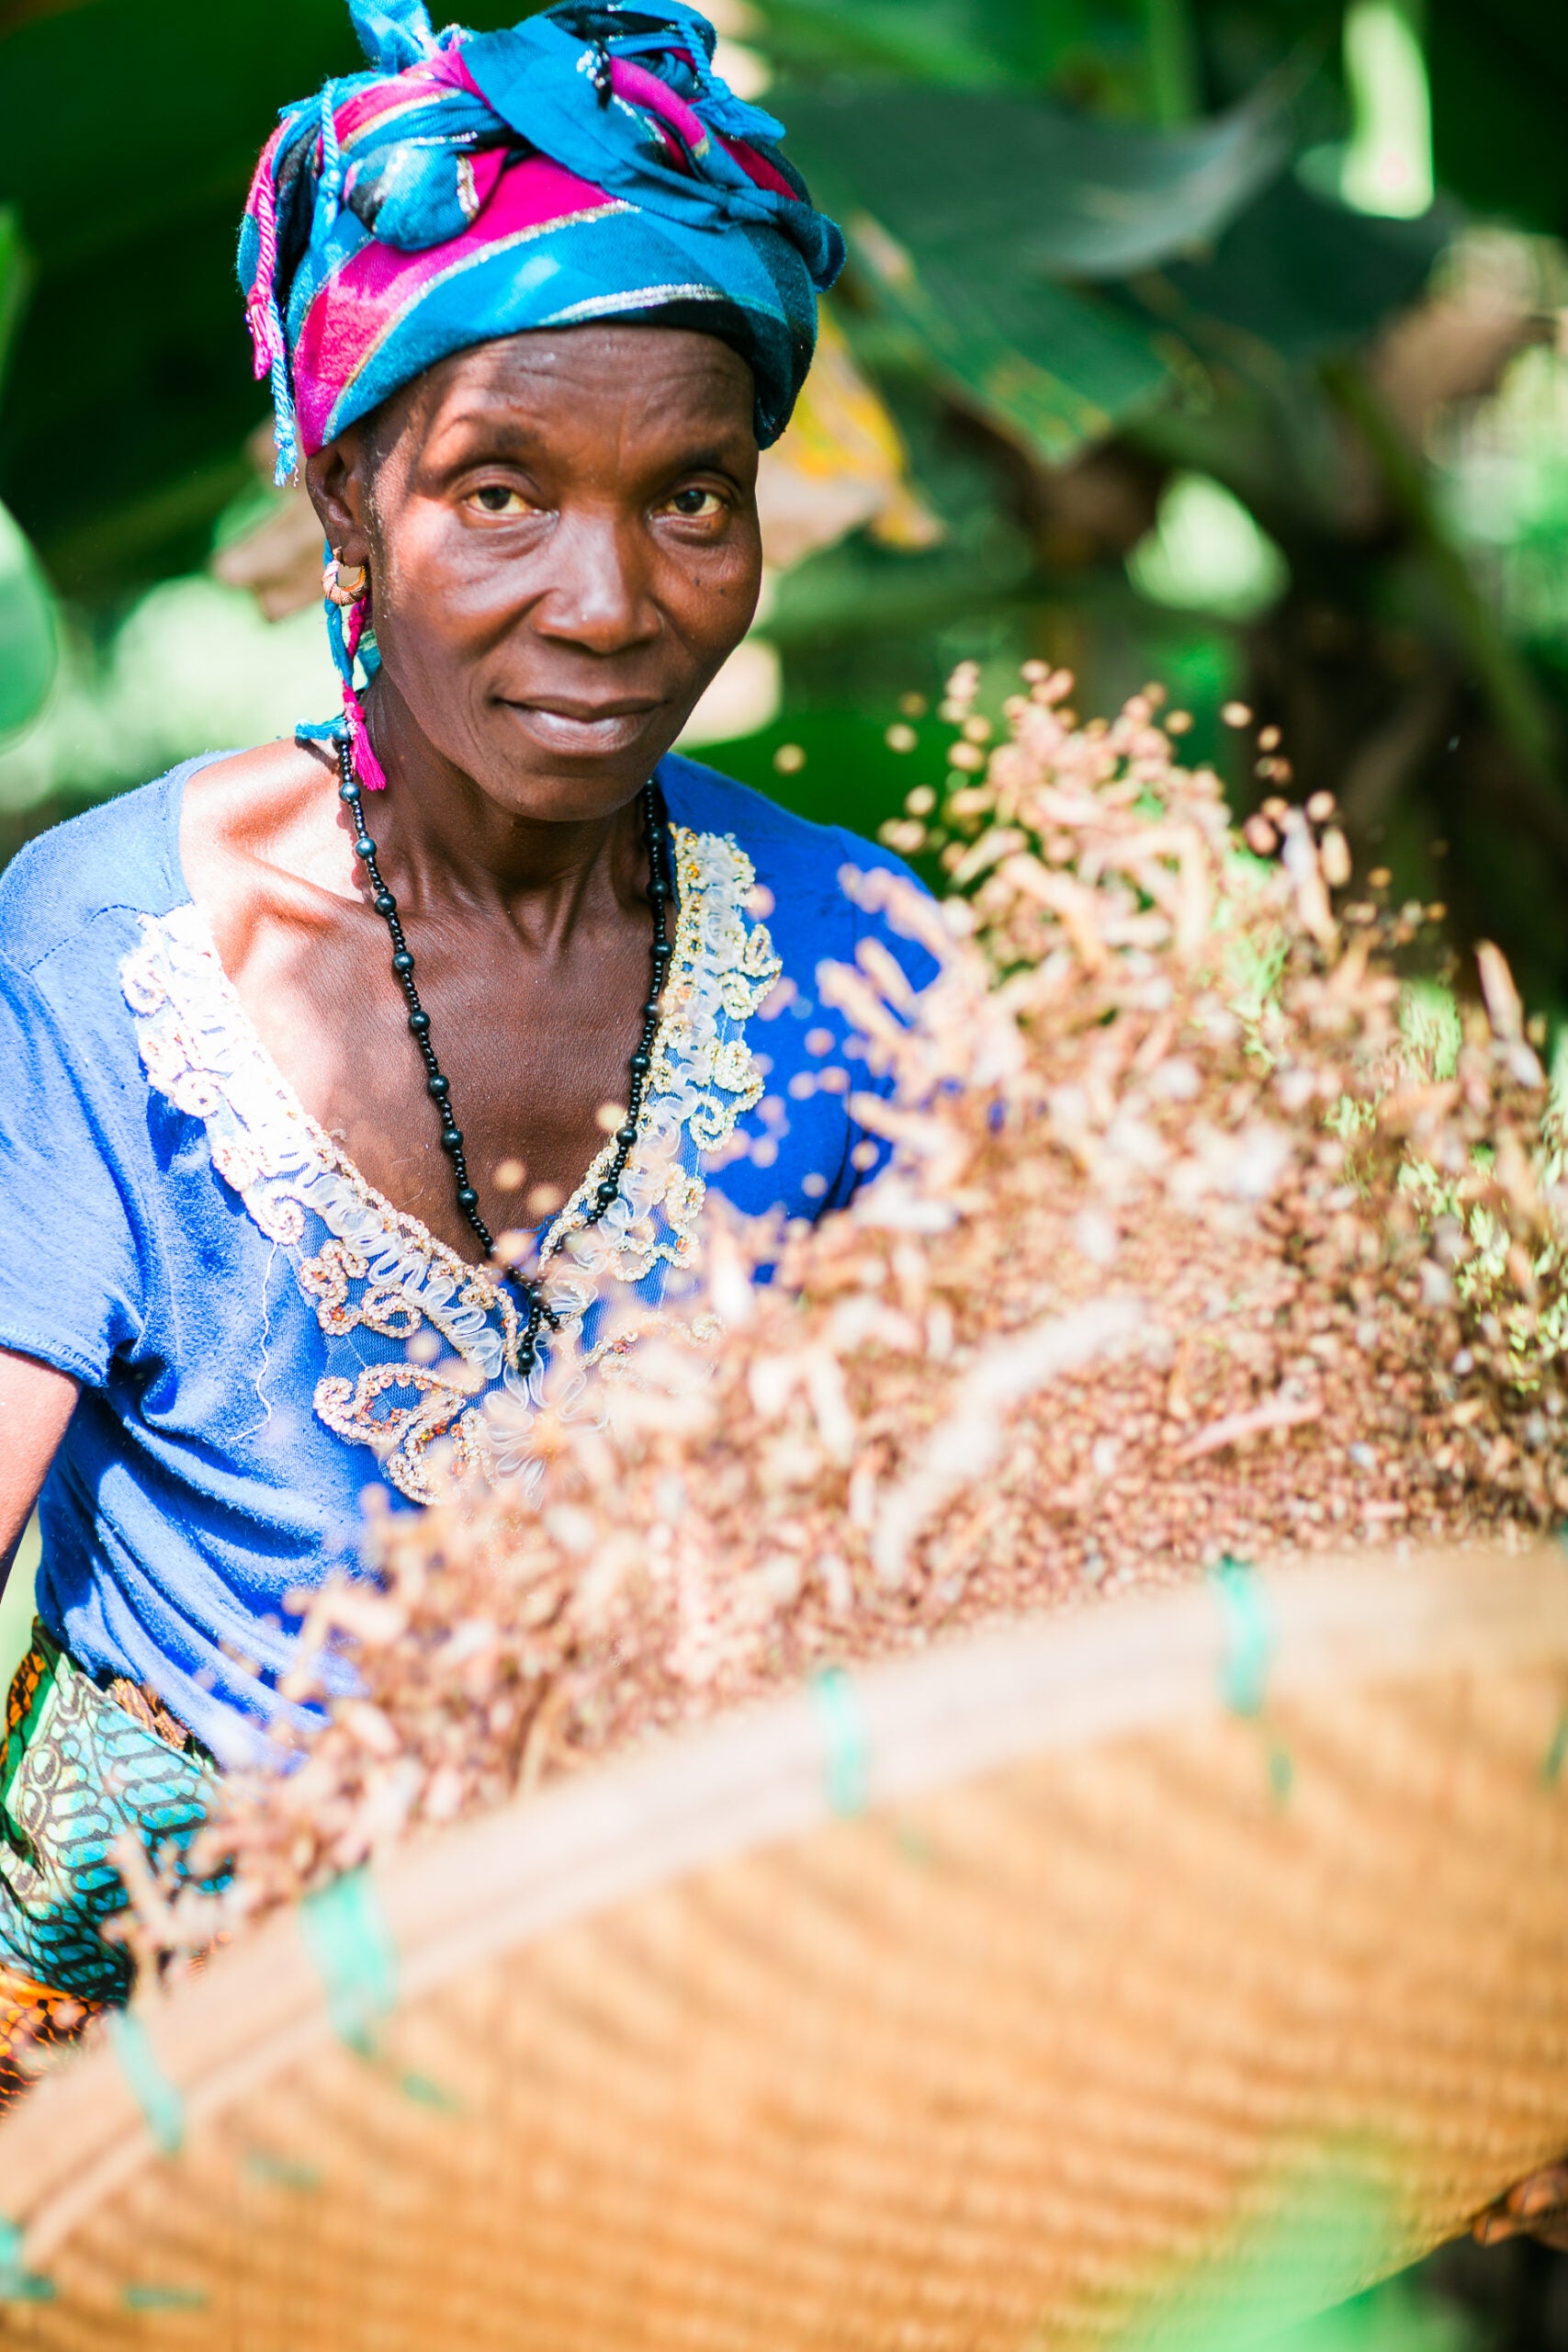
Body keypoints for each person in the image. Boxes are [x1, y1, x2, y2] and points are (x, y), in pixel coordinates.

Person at [0, 0, 933, 2085]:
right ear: (346, 494)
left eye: (693, 499)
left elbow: (1037, 1516)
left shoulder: (865, 956)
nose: (608, 602)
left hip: (695, 2031)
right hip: (168, 2064)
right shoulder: (107, 950)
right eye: (497, 490)